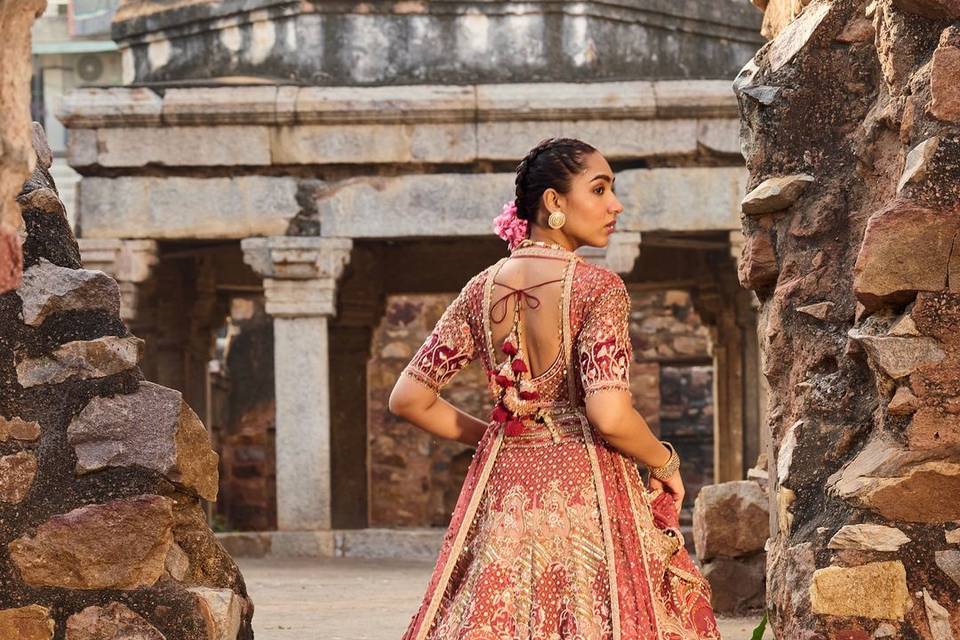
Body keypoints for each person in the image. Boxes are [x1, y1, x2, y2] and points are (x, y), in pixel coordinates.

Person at [389, 137, 720, 640]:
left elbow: (409, 399)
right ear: (554, 202)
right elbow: (608, 413)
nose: (615, 204)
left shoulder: (480, 288)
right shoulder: (598, 288)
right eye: (600, 189)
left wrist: (499, 436)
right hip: (585, 487)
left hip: (504, 489)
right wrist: (664, 461)